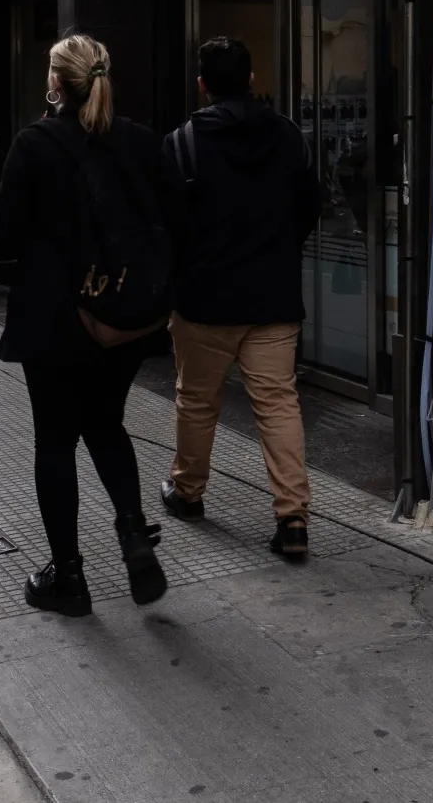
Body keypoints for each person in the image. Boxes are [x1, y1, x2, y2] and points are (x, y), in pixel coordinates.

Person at [0, 34, 178, 616]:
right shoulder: (141, 141)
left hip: (56, 317)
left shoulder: (37, 143)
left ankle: (69, 577)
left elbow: (2, 233)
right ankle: (131, 533)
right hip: (126, 316)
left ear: (55, 83)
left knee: (55, 440)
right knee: (106, 424)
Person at [159, 37, 322, 560]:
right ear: (252, 80)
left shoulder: (183, 143)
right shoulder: (289, 137)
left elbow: (168, 225)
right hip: (273, 298)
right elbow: (309, 208)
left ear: (202, 85)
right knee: (277, 403)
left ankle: (188, 493)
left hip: (204, 300)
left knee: (197, 400)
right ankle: (292, 519)